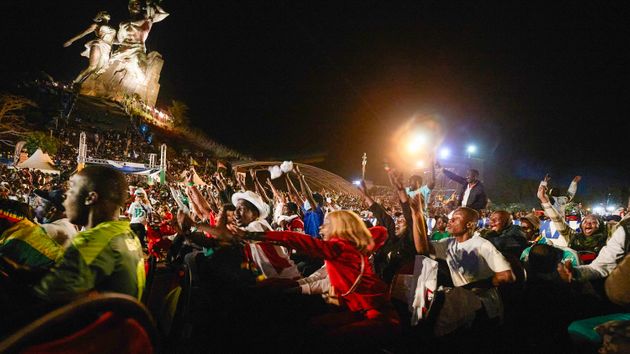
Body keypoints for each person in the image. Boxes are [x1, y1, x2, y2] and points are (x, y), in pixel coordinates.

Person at [229, 210, 400, 348]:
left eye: (326, 224)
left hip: (378, 318)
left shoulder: (338, 249)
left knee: (326, 338)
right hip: (358, 312)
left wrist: (253, 236)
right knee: (314, 326)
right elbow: (381, 232)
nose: (320, 228)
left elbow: (296, 239)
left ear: (339, 228)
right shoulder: (353, 248)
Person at [33, 165, 145, 303]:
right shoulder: (126, 234)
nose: (66, 198)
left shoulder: (92, 242)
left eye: (71, 189)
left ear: (90, 198)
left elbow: (43, 298)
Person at [412, 205, 515, 322]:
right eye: (450, 219)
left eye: (455, 219)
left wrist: (470, 288)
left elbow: (507, 276)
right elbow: (422, 249)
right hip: (462, 301)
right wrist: (417, 215)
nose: (449, 222)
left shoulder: (481, 244)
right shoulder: (449, 243)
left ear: (469, 225)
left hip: (484, 305)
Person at [63, 11, 116, 85]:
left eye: (107, 13)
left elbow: (114, 40)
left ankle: (85, 85)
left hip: (108, 48)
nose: (107, 13)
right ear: (100, 16)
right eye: (104, 13)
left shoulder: (112, 28)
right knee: (92, 67)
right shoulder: (96, 25)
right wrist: (70, 41)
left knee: (101, 69)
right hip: (98, 44)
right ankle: (76, 83)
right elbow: (82, 34)